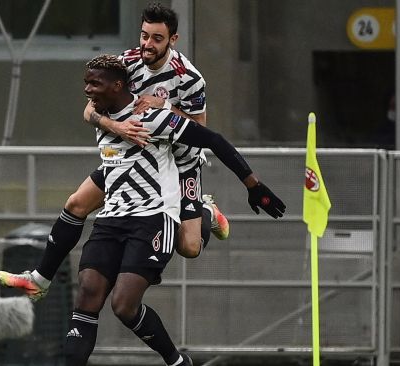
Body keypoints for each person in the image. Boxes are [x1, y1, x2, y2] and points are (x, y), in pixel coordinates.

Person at [0, 2, 230, 301]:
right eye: (144, 36)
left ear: (173, 40)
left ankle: (206, 210)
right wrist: (116, 128)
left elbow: (202, 132)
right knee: (76, 203)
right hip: (129, 158)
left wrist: (166, 107)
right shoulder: (127, 62)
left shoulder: (190, 78)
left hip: (178, 164)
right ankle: (40, 279)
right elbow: (89, 111)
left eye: (157, 39)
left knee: (189, 247)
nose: (147, 44)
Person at [62, 54, 285, 366]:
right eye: (86, 82)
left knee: (130, 299)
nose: (87, 90)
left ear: (117, 86)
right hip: (112, 216)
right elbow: (89, 112)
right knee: (87, 292)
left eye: (93, 84)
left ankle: (176, 362)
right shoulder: (107, 104)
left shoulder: (164, 106)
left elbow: (212, 138)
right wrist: (110, 123)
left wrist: (253, 184)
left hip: (157, 210)